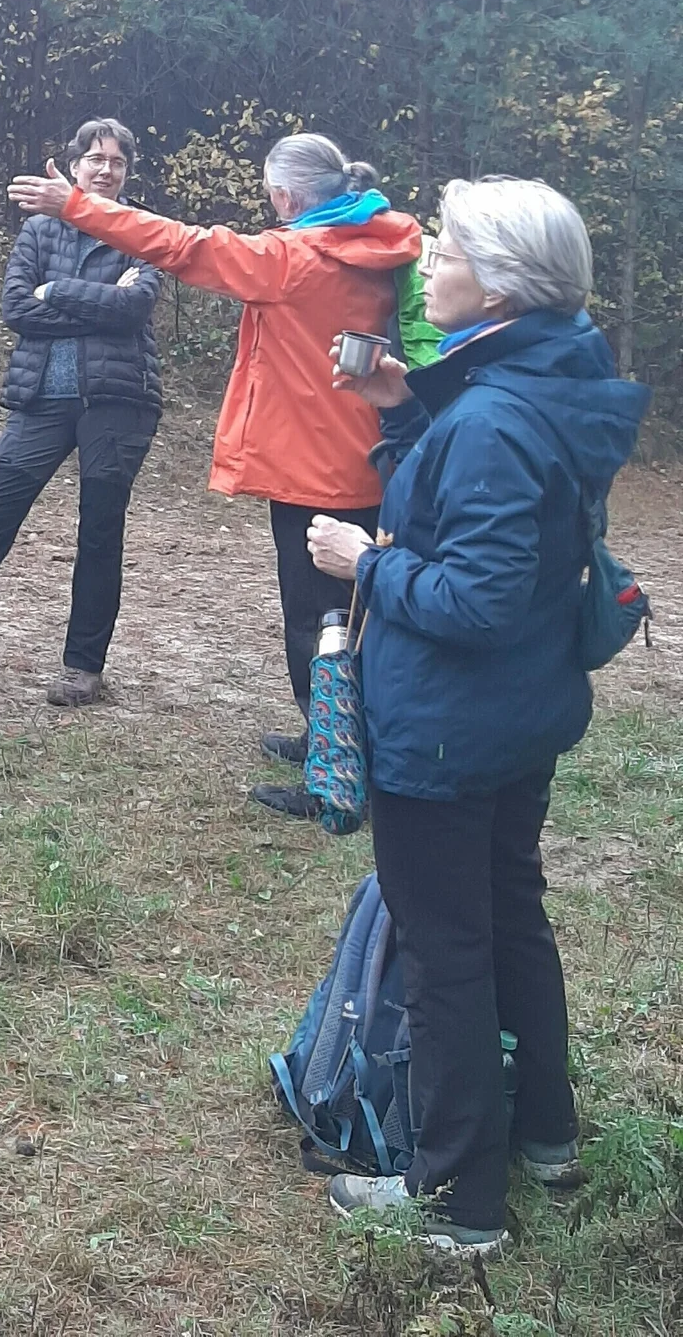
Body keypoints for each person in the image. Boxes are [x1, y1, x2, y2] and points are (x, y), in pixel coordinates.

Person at [306, 177, 646, 1250]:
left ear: (498, 287)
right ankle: (545, 1133)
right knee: (508, 913)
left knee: (445, 948)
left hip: (449, 726)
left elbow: (479, 596)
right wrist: (403, 410)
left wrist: (365, 561)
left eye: (445, 251)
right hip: (518, 713)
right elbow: (480, 514)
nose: (427, 266)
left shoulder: (496, 414)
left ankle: (457, 1203)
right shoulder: (548, 375)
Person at [10, 132, 422, 817]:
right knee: (350, 615)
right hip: (365, 454)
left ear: (284, 197)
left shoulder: (296, 258)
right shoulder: (377, 243)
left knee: (317, 621)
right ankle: (328, 735)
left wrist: (75, 204)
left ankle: (335, 771)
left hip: (314, 466)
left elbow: (183, 246)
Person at [0, 118, 161, 707]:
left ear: (127, 172)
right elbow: (16, 309)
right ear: (74, 166)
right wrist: (98, 302)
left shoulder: (144, 230)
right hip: (41, 399)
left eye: (117, 162)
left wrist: (55, 292)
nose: (106, 170)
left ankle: (84, 668)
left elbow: (135, 307)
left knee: (99, 532)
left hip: (118, 401)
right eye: (95, 159)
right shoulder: (39, 229)